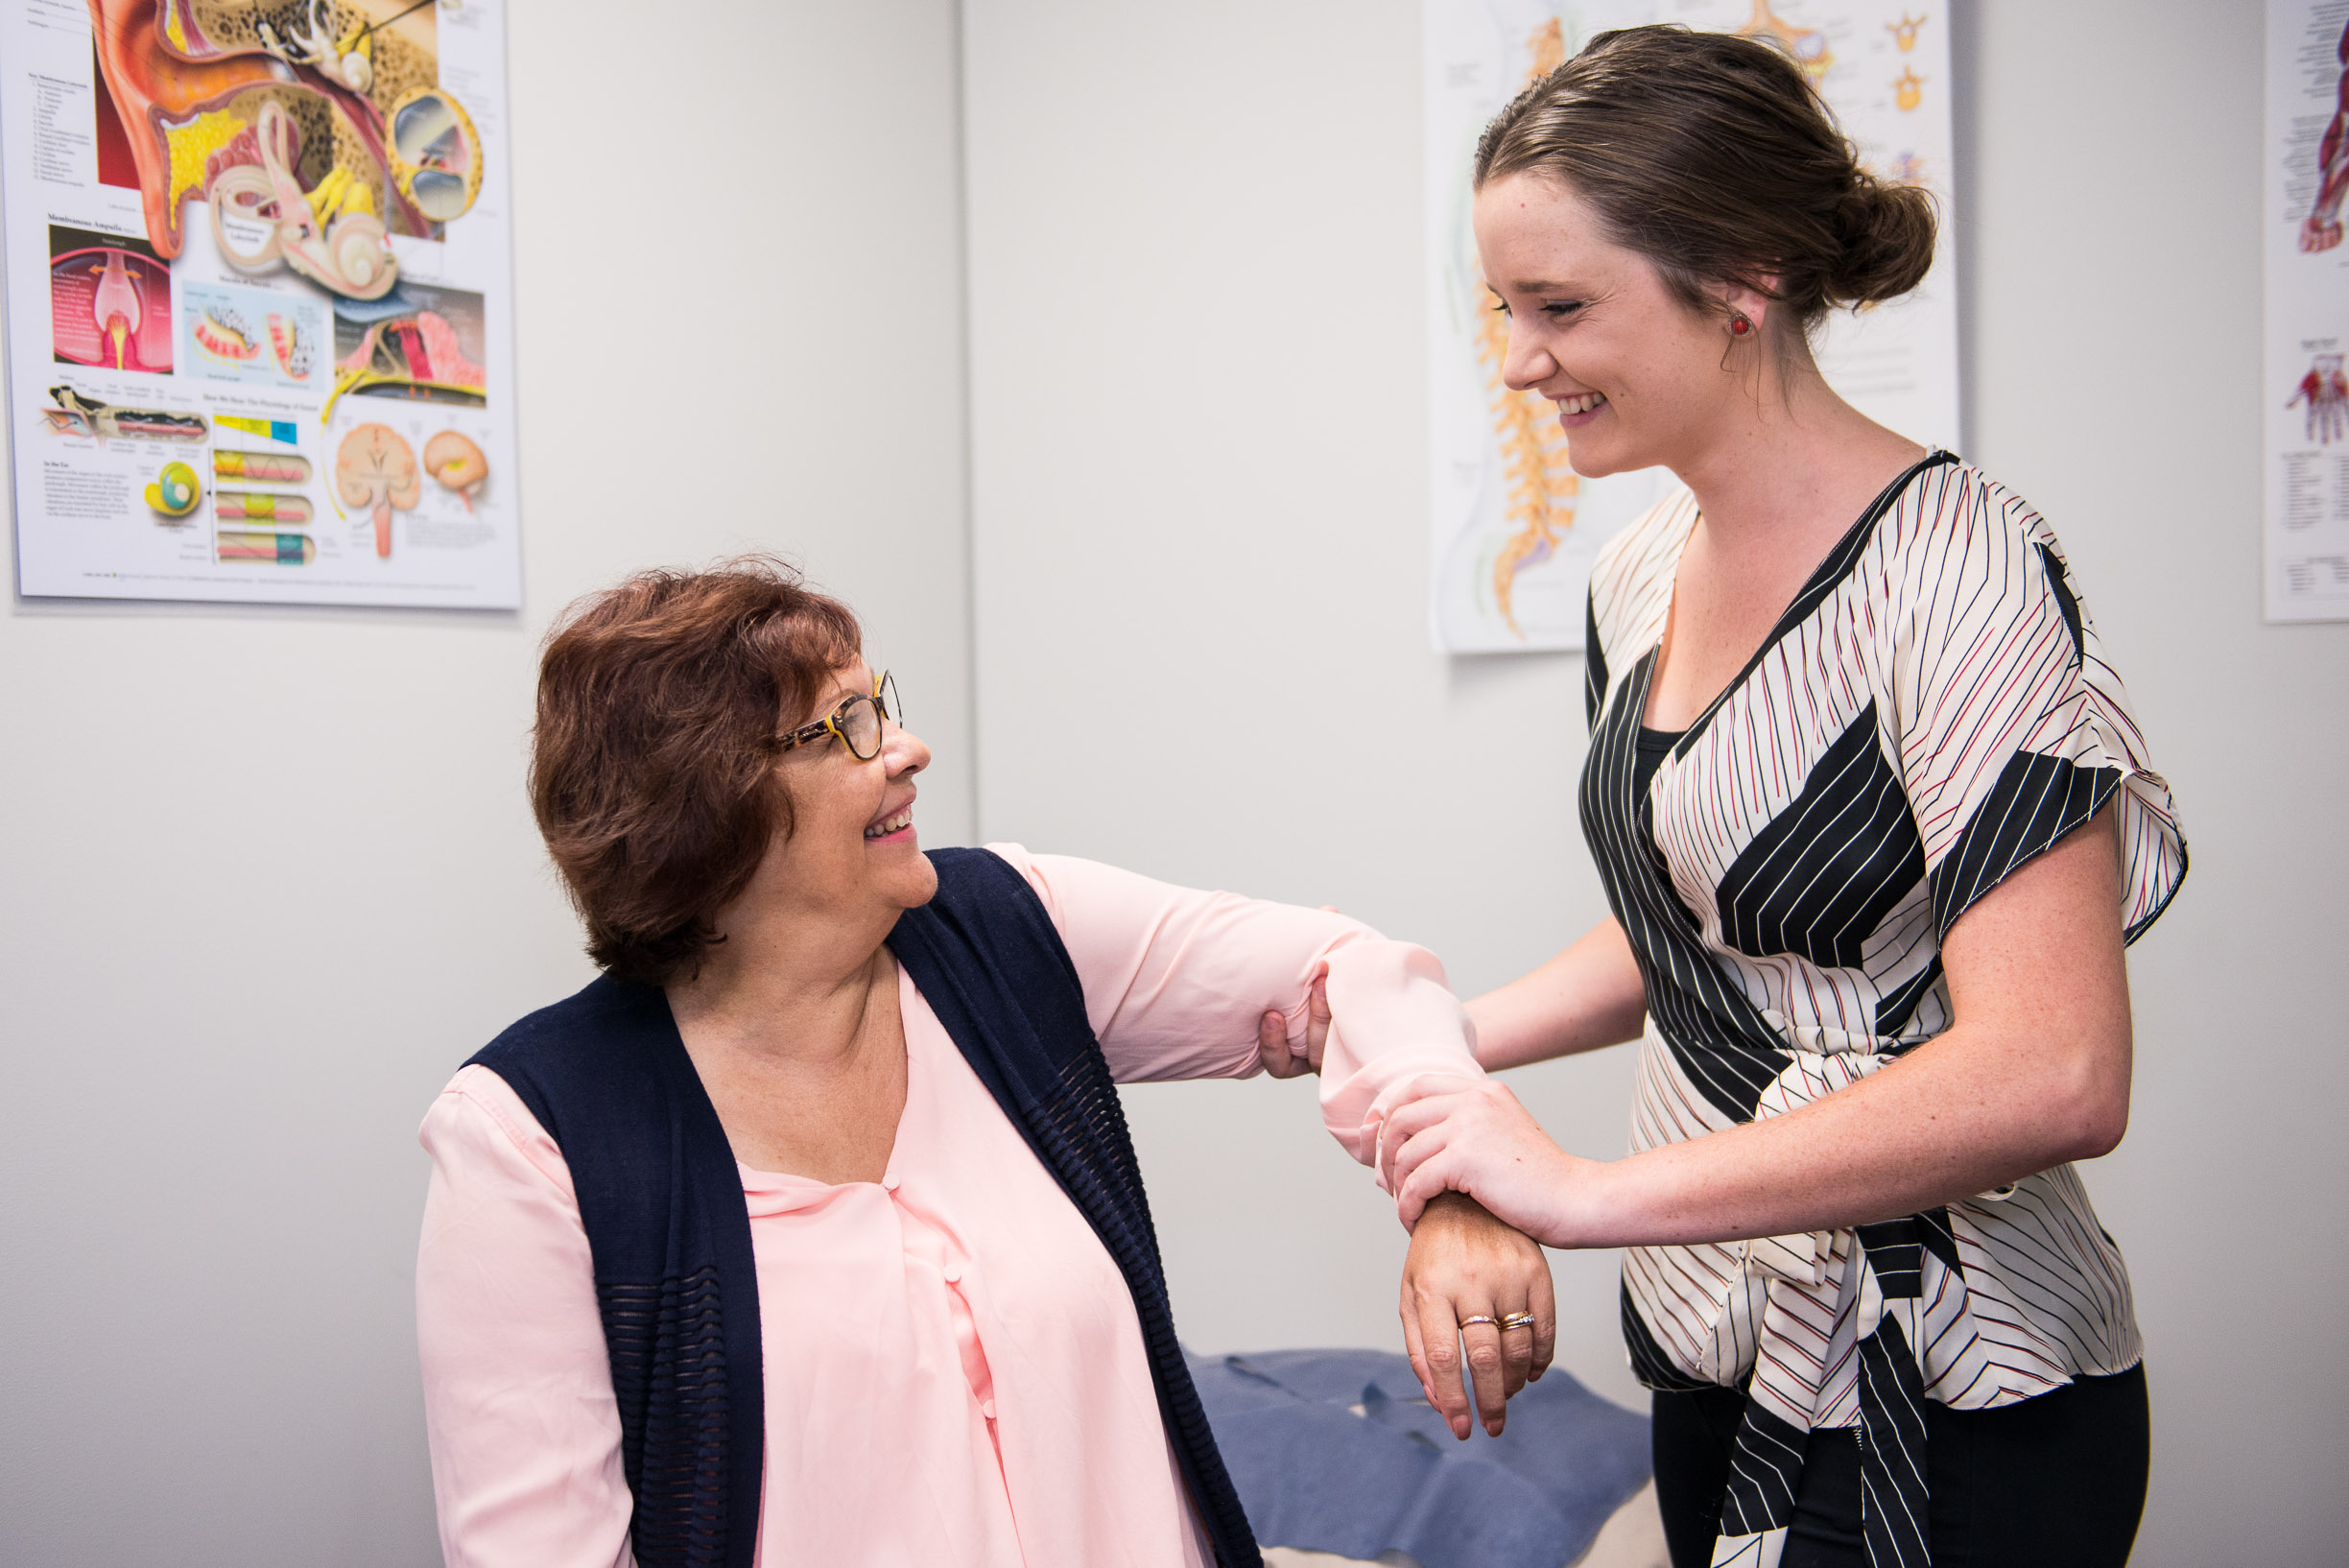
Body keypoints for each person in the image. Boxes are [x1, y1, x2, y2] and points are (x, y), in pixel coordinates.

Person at [1373, 27, 2185, 1568]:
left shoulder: (1960, 575)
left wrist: (1579, 1194)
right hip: (1722, 1341)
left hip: (1954, 1375)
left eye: (1561, 307)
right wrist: (1439, 1043)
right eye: (1504, 309)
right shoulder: (1635, 575)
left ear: (1739, 280)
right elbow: (1697, 932)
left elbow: (2059, 1066)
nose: (1521, 358)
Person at [415, 559, 1552, 1568]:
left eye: (883, 704)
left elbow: (1339, 965)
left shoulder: (1002, 928)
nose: (904, 748)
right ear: (707, 811)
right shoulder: (531, 1139)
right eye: (846, 727)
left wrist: (1451, 1184)